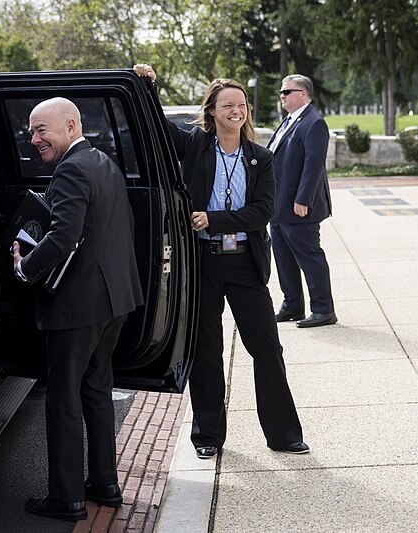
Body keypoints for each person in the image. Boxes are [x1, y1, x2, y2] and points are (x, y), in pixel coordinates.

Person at [134, 64, 308, 459]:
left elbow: (261, 212)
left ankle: (283, 434)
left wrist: (213, 219)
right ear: (211, 110)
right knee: (206, 351)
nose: (236, 111)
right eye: (227, 105)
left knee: (267, 348)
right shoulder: (195, 145)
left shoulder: (260, 158)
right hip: (203, 264)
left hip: (245, 263)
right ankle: (208, 436)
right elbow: (155, 126)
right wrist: (147, 87)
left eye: (241, 105)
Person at [12, 98, 144, 522]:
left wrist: (23, 270)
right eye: (31, 132)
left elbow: (62, 237)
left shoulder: (70, 168)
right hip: (114, 300)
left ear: (70, 125)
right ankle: (104, 484)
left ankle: (67, 497)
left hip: (78, 304)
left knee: (64, 397)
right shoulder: (102, 161)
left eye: (41, 131)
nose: (33, 140)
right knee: (95, 389)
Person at [268, 74, 337, 328]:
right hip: (277, 206)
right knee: (283, 258)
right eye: (281, 92)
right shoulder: (288, 122)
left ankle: (323, 310)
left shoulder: (314, 123)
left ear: (303, 95)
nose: (282, 96)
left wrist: (303, 199)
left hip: (299, 207)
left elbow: (313, 164)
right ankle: (292, 305)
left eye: (287, 92)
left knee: (310, 257)